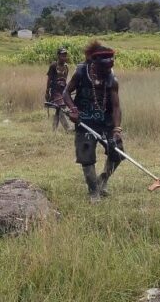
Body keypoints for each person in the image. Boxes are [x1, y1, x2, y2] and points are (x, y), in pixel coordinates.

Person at [62, 41, 124, 203]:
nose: (107, 71)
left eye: (110, 68)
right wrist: (73, 110)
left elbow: (116, 107)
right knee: (86, 155)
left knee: (117, 152)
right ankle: (93, 191)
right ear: (94, 64)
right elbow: (66, 93)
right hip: (84, 121)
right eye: (104, 69)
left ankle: (102, 179)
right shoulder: (81, 73)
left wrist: (116, 129)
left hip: (106, 122)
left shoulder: (112, 80)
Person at [46, 47, 71, 132]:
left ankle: (54, 129)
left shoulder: (66, 67)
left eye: (65, 55)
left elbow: (65, 80)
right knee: (61, 107)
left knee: (58, 109)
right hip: (55, 91)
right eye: (62, 55)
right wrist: (47, 91)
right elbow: (49, 79)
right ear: (58, 56)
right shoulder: (53, 65)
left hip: (63, 91)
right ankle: (67, 128)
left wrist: (67, 92)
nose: (64, 57)